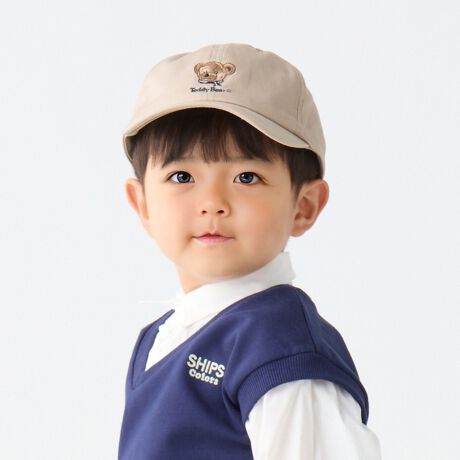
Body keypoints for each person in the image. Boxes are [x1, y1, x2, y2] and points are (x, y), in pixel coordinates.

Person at [117, 42, 382, 459]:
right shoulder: (164, 335)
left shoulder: (283, 352)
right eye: (182, 176)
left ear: (304, 206)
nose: (212, 202)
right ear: (142, 204)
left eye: (246, 177)